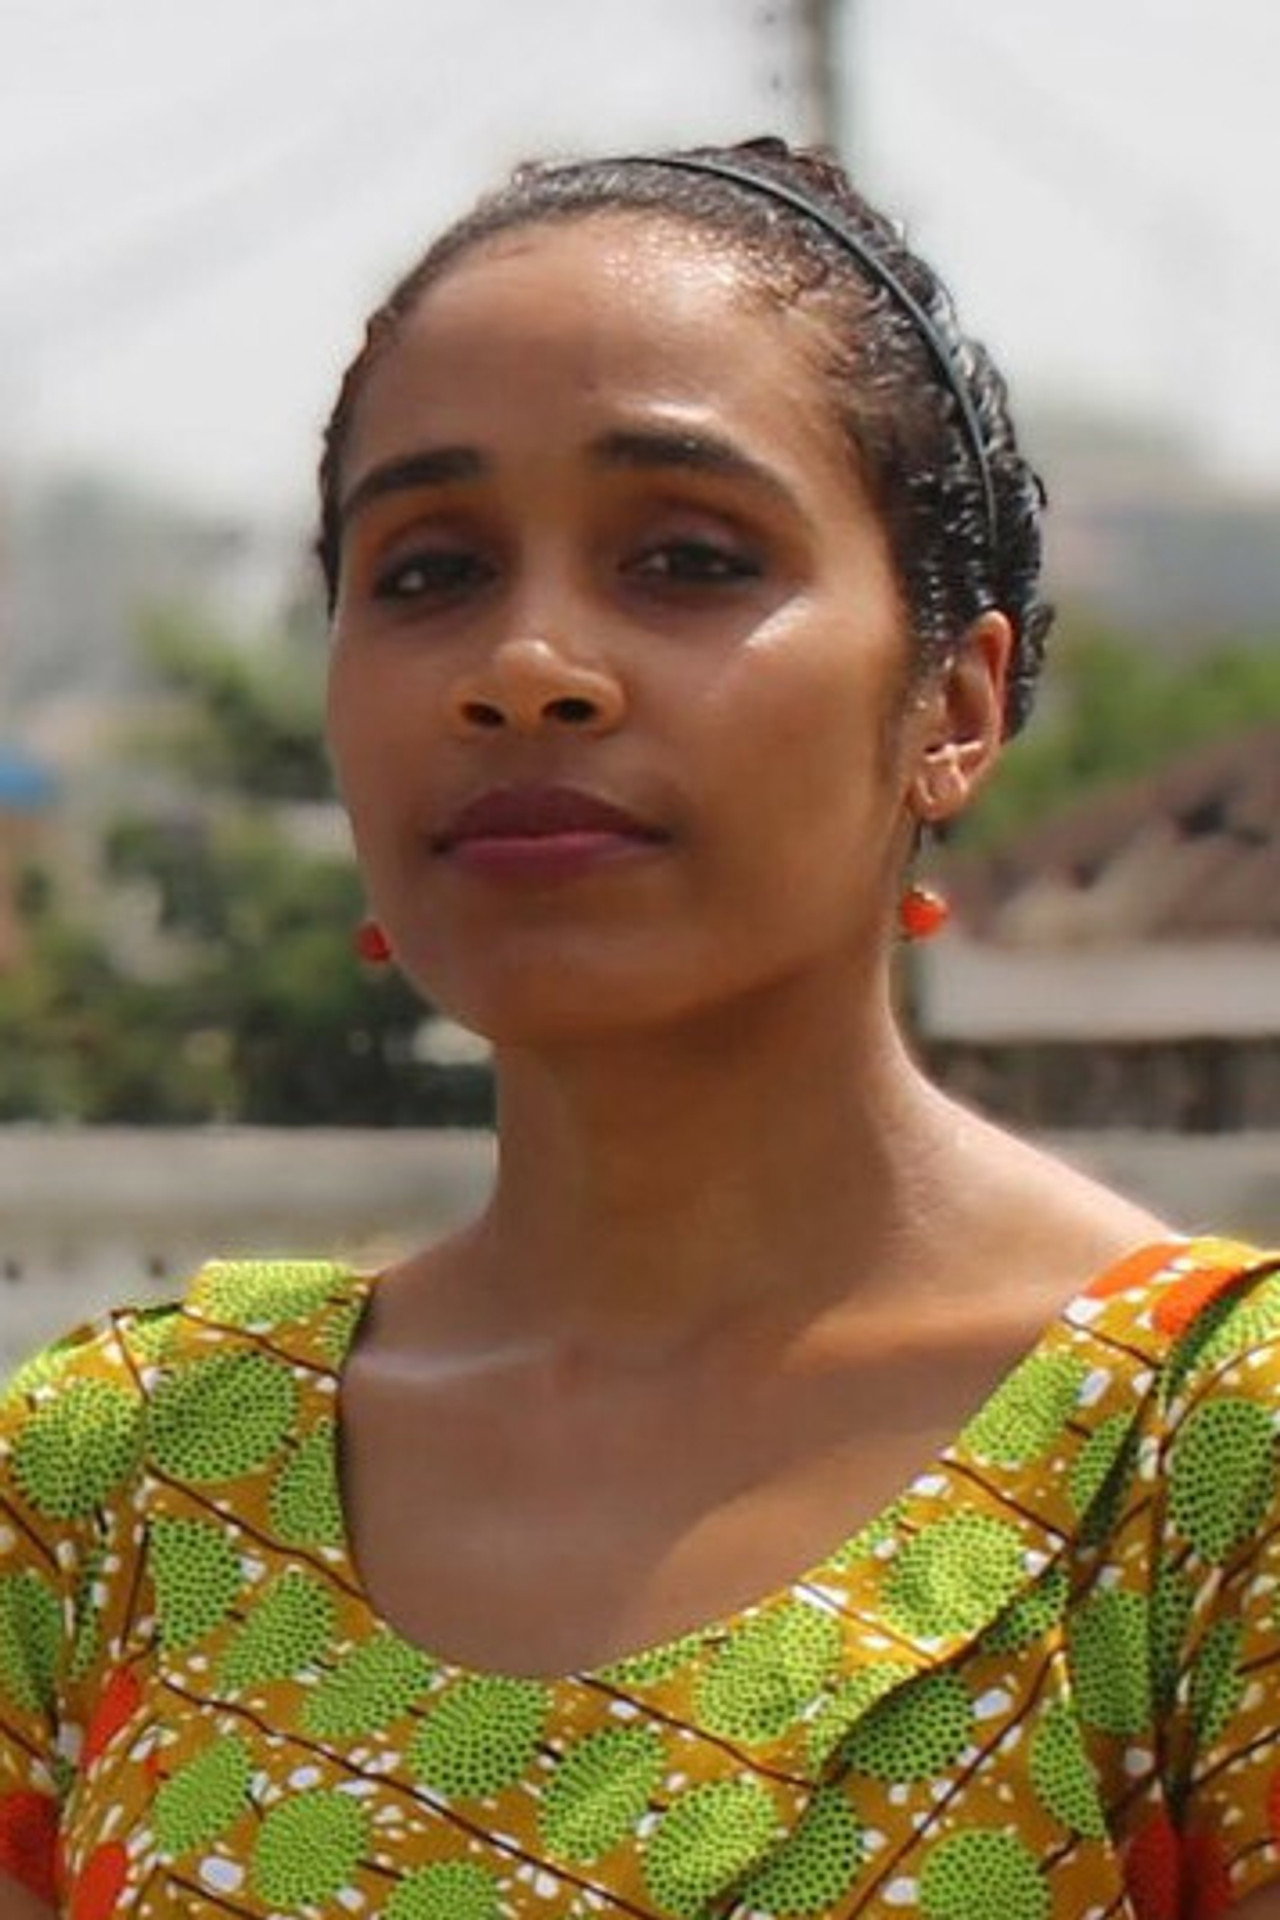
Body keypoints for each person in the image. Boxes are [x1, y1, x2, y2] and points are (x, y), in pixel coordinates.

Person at [0, 137, 1276, 1920]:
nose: (526, 666)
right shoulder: (120, 1483)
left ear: (953, 704)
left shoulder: (1199, 1476)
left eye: (685, 557)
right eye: (429, 572)